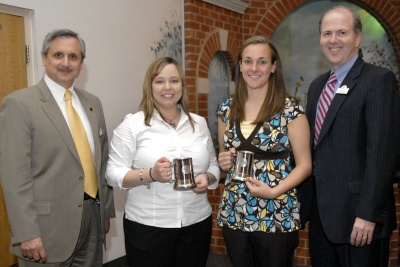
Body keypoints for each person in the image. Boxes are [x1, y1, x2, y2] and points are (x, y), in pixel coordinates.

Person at [0, 29, 115, 266]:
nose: (65, 63)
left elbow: (101, 161)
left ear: (81, 63)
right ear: (44, 58)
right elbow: (14, 176)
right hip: (45, 230)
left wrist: (105, 211)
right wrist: (26, 232)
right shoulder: (19, 104)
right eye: (58, 55)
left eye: (73, 57)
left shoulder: (93, 103)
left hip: (92, 219)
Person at [301, 6, 400, 267]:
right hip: (321, 217)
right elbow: (312, 148)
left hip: (360, 220)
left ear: (357, 38)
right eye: (327, 33)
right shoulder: (317, 86)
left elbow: (382, 154)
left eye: (342, 32)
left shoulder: (379, 80)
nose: (333, 40)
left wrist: (368, 214)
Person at [106, 56, 220, 267]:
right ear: (150, 86)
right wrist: (151, 174)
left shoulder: (199, 123)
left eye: (174, 81)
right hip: (148, 228)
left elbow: (213, 165)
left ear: (182, 86)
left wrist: (207, 177)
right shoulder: (133, 125)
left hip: (196, 224)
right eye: (159, 81)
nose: (167, 87)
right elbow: (112, 173)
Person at [217, 35, 312, 267]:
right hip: (235, 209)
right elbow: (224, 157)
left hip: (276, 209)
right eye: (248, 61)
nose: (254, 68)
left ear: (273, 66)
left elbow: (305, 165)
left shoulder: (291, 110)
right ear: (240, 66)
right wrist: (223, 161)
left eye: (262, 61)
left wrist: (273, 192)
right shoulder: (226, 110)